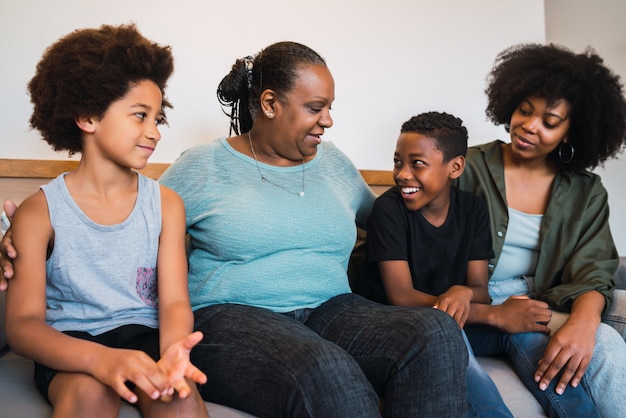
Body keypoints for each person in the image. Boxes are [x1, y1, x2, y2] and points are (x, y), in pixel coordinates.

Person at [158, 41, 467, 417]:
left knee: (435, 333)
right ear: (271, 104)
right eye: (315, 108)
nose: (328, 120)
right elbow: (139, 233)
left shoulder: (333, 162)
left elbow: (390, 224)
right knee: (326, 368)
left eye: (329, 108)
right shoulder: (204, 165)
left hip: (332, 309)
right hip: (231, 317)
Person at [4, 24, 208, 418]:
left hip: (146, 339)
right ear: (88, 117)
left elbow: (174, 301)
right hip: (70, 343)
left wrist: (172, 356)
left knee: (179, 399)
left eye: (157, 118)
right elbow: (23, 325)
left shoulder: (167, 205)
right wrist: (100, 361)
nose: (154, 133)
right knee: (89, 395)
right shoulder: (39, 211)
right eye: (139, 116)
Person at [355, 111, 601, 418]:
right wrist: (495, 315)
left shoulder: (473, 209)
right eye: (397, 162)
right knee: (451, 336)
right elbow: (401, 297)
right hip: (407, 326)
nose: (403, 174)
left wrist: (465, 292)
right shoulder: (388, 210)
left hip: (454, 317)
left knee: (527, 332)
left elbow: (480, 289)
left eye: (417, 163)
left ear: (455, 167)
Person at [456, 43, 626, 418]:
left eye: (550, 122)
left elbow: (594, 270)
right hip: (476, 297)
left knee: (608, 346)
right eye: (524, 111)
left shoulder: (586, 190)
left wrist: (584, 324)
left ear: (570, 132)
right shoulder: (466, 167)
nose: (530, 126)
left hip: (545, 299)